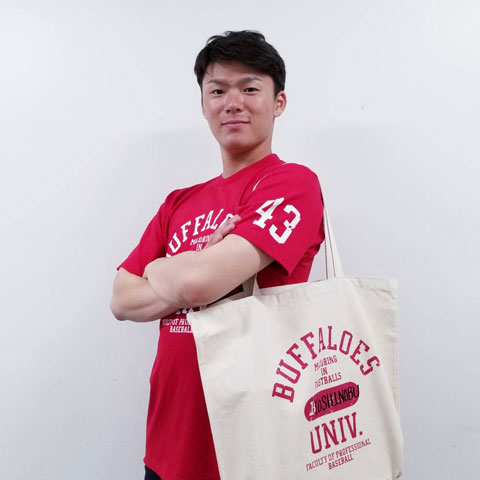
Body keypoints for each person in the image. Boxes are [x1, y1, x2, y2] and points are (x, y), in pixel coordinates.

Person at [110, 30, 325, 480]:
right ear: (204, 104)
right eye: (218, 90)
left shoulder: (292, 184)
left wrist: (162, 267)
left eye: (250, 88)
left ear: (279, 102)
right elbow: (122, 300)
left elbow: (195, 283)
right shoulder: (178, 202)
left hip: (250, 448)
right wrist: (194, 271)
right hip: (166, 445)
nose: (233, 103)